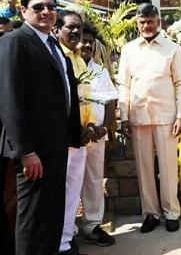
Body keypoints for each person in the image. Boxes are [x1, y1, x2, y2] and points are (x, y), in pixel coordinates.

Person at [0, 0, 81, 254]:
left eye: (51, 7)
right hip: (33, 151)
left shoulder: (52, 43)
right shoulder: (15, 41)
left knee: (51, 216)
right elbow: (10, 100)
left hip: (56, 145)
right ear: (24, 11)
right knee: (33, 220)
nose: (46, 12)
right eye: (38, 7)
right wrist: (25, 151)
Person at [118, 3, 181, 233]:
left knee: (168, 167)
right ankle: (151, 214)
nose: (146, 26)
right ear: (137, 23)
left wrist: (180, 115)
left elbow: (180, 83)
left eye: (150, 21)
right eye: (142, 22)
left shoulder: (172, 48)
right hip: (138, 115)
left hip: (166, 115)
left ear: (158, 22)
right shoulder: (128, 49)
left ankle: (171, 213)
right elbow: (123, 83)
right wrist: (124, 116)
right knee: (144, 167)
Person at [56, 9, 95, 255]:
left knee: (72, 194)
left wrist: (90, 126)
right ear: (57, 30)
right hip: (63, 139)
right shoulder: (58, 56)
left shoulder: (80, 59)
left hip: (83, 138)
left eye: (78, 28)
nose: (75, 31)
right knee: (59, 194)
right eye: (69, 27)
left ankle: (66, 240)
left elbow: (87, 98)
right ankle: (57, 240)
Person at [79, 22, 118, 246]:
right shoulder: (67, 66)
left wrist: (105, 127)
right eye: (83, 40)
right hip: (74, 138)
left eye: (90, 42)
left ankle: (92, 226)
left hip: (97, 136)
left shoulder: (100, 71)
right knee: (70, 183)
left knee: (93, 180)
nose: (86, 45)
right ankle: (65, 231)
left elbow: (111, 100)